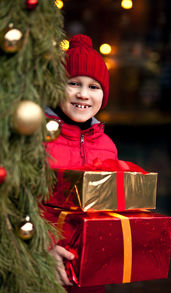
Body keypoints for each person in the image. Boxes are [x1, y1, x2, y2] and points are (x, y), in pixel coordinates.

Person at [44, 34, 118, 293]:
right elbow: (21, 201)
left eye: (94, 86)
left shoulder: (107, 145)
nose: (83, 94)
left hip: (91, 268)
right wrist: (45, 248)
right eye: (73, 83)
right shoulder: (39, 138)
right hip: (46, 262)